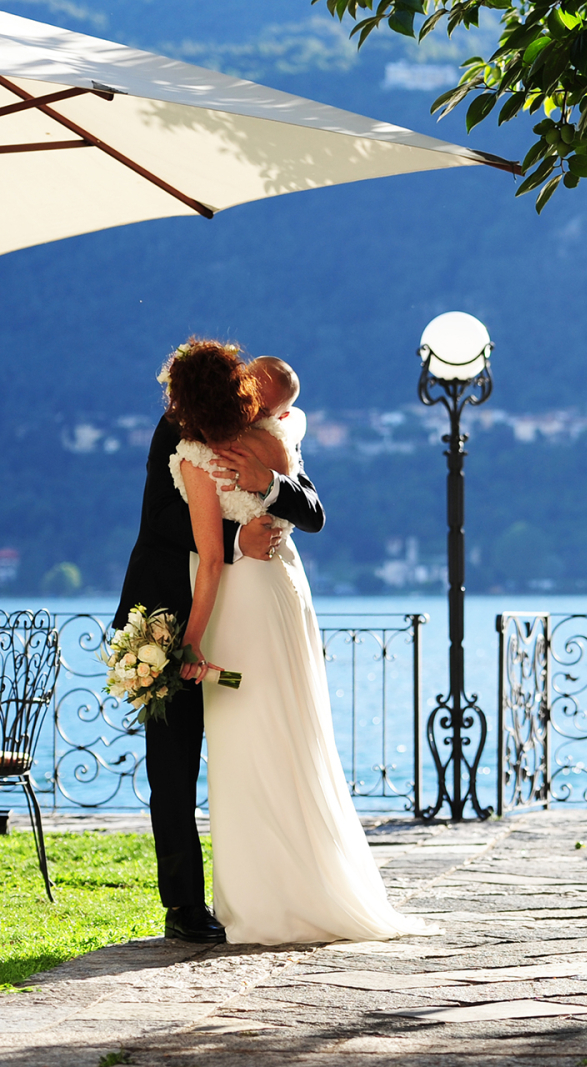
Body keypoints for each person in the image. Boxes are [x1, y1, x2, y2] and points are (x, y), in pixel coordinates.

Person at [164, 340, 431, 944]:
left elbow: (233, 549)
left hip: (238, 604)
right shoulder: (276, 439)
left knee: (247, 742)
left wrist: (191, 640)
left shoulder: (198, 455)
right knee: (291, 731)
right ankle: (309, 886)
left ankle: (262, 900)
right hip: (281, 591)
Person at [113, 343, 322, 944]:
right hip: (168, 609)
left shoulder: (269, 435)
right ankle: (183, 905)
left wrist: (270, 484)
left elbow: (313, 511)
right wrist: (237, 539)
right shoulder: (178, 427)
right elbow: (159, 518)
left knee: (256, 745)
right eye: (253, 400)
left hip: (247, 619)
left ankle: (268, 886)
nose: (259, 411)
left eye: (268, 407)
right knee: (172, 763)